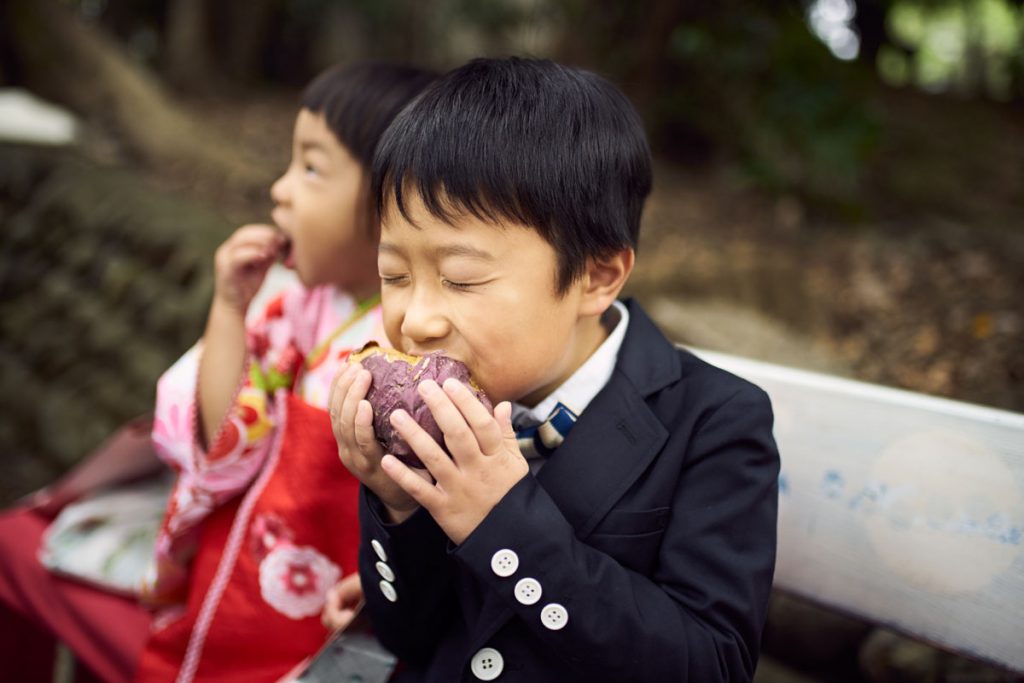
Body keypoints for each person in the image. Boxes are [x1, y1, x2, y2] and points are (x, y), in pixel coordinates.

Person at [330, 57, 780, 682]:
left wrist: (503, 522)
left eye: (460, 278)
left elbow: (711, 665)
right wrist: (397, 506)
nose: (417, 319)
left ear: (595, 276)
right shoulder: (434, 422)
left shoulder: (713, 422)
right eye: (395, 276)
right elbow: (410, 635)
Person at [0, 61, 435, 683]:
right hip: (230, 584)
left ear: (395, 200)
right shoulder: (302, 304)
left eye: (311, 168)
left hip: (309, 626)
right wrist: (231, 308)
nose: (280, 190)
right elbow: (223, 437)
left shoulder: (411, 353)